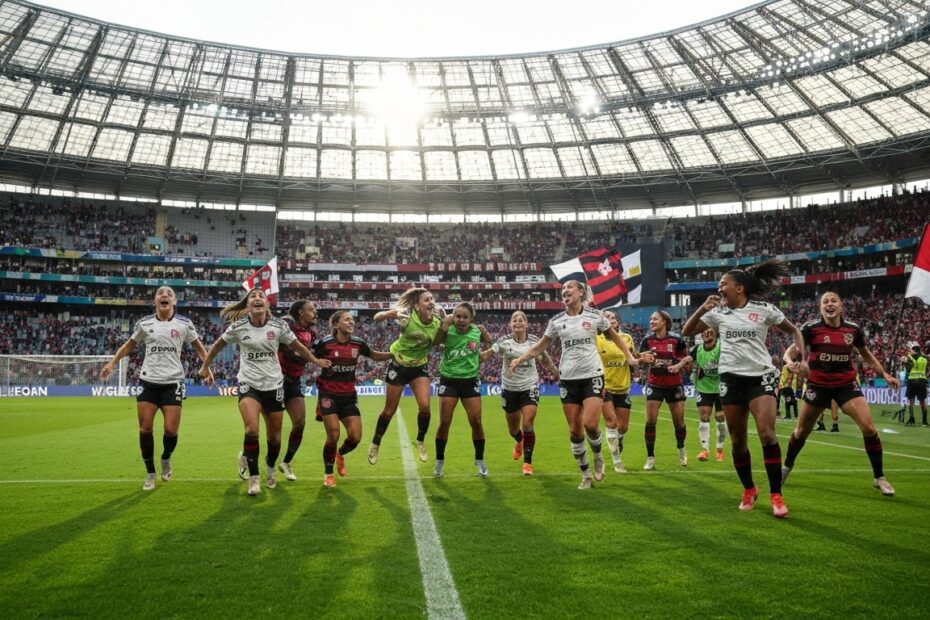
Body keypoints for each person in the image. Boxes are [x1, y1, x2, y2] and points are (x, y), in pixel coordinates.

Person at [682, 258, 804, 518]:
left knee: (767, 434)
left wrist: (798, 356)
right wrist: (702, 308)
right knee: (738, 442)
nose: (719, 287)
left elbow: (794, 330)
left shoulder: (764, 309)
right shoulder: (718, 314)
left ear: (739, 288)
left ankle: (776, 495)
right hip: (731, 380)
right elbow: (687, 331)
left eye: (723, 283)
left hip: (761, 377)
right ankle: (749, 489)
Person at [509, 280, 649, 489]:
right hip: (568, 379)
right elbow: (539, 347)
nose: (564, 292)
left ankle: (598, 456)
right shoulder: (556, 321)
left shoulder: (594, 316)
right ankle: (585, 475)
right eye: (563, 290)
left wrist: (629, 356)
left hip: (592, 376)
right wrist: (521, 358)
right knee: (575, 430)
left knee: (590, 424)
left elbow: (615, 336)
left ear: (581, 292)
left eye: (569, 289)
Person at [198, 288, 330, 496]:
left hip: (274, 385)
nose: (257, 298)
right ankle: (254, 478)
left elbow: (298, 346)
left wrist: (315, 361)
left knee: (275, 438)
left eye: (261, 296)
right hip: (248, 384)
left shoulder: (278, 326)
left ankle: (271, 467)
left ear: (267, 305)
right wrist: (206, 366)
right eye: (253, 296)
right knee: (252, 430)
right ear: (248, 304)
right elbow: (217, 345)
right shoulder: (238, 326)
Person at [781, 291, 900, 496]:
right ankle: (786, 468)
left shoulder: (852, 330)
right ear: (820, 308)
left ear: (841, 306)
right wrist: (791, 363)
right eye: (825, 302)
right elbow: (789, 352)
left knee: (869, 429)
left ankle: (879, 477)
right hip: (818, 385)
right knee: (801, 431)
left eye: (833, 300)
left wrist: (885, 374)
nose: (829, 304)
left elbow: (867, 356)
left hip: (846, 385)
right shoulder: (810, 328)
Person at [100, 286, 211, 491]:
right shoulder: (144, 324)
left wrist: (207, 368)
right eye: (160, 293)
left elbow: (198, 347)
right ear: (155, 301)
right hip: (148, 381)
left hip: (173, 382)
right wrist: (112, 363)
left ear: (174, 301)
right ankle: (150, 473)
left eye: (169, 294)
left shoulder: (185, 324)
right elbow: (129, 345)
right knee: (145, 429)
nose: (164, 295)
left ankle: (166, 458)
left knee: (170, 430)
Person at [312, 310, 393, 488]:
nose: (351, 322)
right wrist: (316, 361)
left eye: (353, 320)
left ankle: (339, 454)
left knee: (355, 437)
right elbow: (306, 354)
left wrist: (393, 354)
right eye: (347, 319)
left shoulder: (358, 343)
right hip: (328, 394)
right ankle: (328, 473)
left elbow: (374, 355)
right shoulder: (324, 344)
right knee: (333, 434)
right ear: (335, 325)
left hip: (348, 396)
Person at [368, 288, 445, 464]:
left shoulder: (437, 321)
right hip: (399, 363)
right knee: (389, 411)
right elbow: (377, 317)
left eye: (432, 299)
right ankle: (375, 443)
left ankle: (420, 440)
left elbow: (437, 343)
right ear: (417, 305)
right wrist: (389, 313)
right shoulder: (407, 317)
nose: (431, 302)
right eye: (426, 300)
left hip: (419, 366)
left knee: (425, 407)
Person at [487, 310, 558, 476]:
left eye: (521, 320)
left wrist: (556, 372)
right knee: (513, 430)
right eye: (514, 320)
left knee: (527, 423)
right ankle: (519, 441)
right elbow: (489, 353)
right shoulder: (504, 341)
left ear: (526, 324)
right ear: (510, 325)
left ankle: (527, 463)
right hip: (509, 388)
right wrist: (477, 356)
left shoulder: (534, 342)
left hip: (529, 386)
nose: (517, 322)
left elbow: (545, 359)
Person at [432, 302, 494, 478]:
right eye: (458, 316)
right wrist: (443, 327)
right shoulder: (448, 330)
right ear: (453, 317)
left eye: (465, 317)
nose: (461, 320)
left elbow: (491, 343)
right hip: (449, 380)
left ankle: (480, 460)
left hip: (470, 381)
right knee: (445, 422)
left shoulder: (478, 331)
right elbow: (436, 344)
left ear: (471, 319)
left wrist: (480, 357)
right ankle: (439, 461)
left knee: (476, 421)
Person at [639, 310, 692, 470]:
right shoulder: (647, 340)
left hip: (674, 385)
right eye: (650, 319)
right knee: (650, 421)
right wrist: (642, 359)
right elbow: (640, 360)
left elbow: (686, 361)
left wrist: (679, 366)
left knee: (679, 423)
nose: (651, 321)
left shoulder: (676, 339)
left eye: (654, 319)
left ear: (664, 321)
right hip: (654, 384)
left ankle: (681, 449)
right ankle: (650, 458)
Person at [276, 299, 319, 481]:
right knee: (273, 431)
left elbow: (309, 353)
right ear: (301, 312)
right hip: (275, 381)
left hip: (294, 382)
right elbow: (288, 352)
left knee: (300, 423)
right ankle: (247, 457)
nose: (315, 313)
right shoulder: (286, 327)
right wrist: (310, 358)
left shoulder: (312, 333)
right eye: (312, 309)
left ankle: (286, 462)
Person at [596, 309, 637, 473]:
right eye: (607, 317)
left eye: (613, 317)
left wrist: (640, 359)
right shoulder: (596, 339)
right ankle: (617, 461)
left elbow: (632, 358)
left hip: (623, 387)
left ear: (618, 321)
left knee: (623, 427)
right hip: (604, 386)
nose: (611, 319)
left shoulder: (627, 339)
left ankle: (617, 442)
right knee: (611, 422)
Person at [690, 326, 728, 462]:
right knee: (704, 418)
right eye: (704, 331)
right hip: (704, 387)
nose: (706, 332)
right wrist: (692, 371)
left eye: (709, 330)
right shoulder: (696, 349)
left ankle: (719, 450)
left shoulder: (722, 347)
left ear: (716, 333)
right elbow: (688, 361)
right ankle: (705, 450)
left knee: (720, 420)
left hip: (721, 387)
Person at [904, 345, 928, 426]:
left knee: (911, 400)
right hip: (922, 381)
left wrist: (905, 363)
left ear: (915, 351)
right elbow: (926, 370)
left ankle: (911, 420)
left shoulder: (910, 358)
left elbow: (909, 369)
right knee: (922, 401)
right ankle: (924, 421)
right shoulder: (924, 359)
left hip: (912, 381)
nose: (910, 351)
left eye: (911, 350)